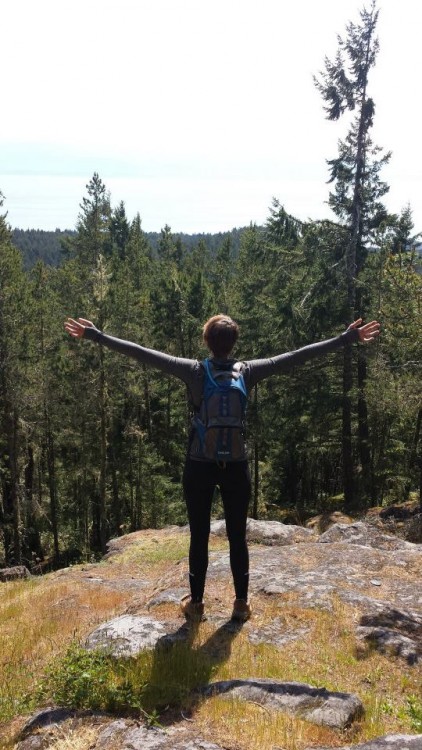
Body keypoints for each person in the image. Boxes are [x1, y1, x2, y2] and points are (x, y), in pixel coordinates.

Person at [64, 314, 380, 622]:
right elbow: (297, 356)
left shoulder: (193, 371)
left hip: (199, 464)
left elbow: (142, 353)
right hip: (236, 465)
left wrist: (97, 335)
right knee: (237, 536)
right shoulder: (249, 371)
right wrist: (346, 338)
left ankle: (197, 604)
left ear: (207, 340)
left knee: (199, 535)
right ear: (234, 342)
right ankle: (241, 604)